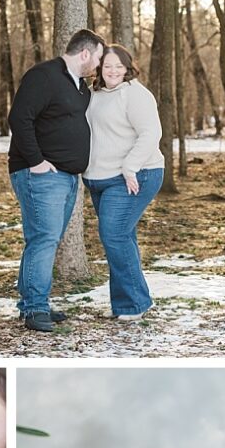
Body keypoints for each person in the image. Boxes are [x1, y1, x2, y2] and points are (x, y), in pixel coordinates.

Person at [9, 27, 104, 332]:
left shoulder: (80, 88)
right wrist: (36, 162)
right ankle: (36, 308)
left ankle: (31, 305)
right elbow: (19, 118)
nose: (99, 66)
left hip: (66, 177)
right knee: (44, 240)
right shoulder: (44, 76)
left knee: (42, 240)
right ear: (85, 53)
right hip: (40, 175)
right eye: (99, 59)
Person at [83, 44, 164, 321]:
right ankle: (128, 305)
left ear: (128, 67)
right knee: (121, 237)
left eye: (119, 66)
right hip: (98, 178)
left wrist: (130, 168)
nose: (113, 71)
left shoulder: (136, 95)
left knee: (114, 235)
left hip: (135, 175)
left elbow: (151, 133)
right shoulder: (93, 94)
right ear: (99, 69)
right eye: (107, 66)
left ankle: (134, 305)